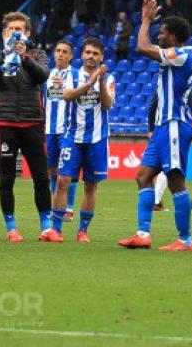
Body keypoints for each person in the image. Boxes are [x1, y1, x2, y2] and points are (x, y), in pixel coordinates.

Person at [119, 0, 192, 252]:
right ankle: (143, 234)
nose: (158, 35)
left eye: (161, 32)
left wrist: (144, 21)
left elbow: (142, 47)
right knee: (142, 177)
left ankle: (185, 240)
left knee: (175, 179)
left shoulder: (183, 54)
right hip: (163, 127)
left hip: (175, 123)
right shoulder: (174, 57)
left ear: (173, 36)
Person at [0, 11, 51, 242]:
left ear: (28, 34)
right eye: (11, 29)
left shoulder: (37, 54)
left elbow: (43, 76)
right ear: (4, 33)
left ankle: (46, 227)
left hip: (33, 122)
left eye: (19, 29)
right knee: (7, 178)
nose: (15, 33)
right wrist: (5, 54)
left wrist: (24, 58)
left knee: (41, 177)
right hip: (5, 123)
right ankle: (11, 228)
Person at [45, 37, 114, 243]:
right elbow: (66, 95)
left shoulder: (109, 78)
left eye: (95, 53)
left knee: (91, 186)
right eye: (88, 52)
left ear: (101, 57)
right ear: (82, 55)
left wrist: (99, 83)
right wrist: (90, 82)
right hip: (72, 136)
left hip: (97, 139)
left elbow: (108, 104)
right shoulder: (72, 75)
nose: (91, 56)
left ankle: (83, 231)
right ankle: (56, 229)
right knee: (62, 180)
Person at [45, 41, 79, 221]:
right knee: (51, 170)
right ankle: (56, 204)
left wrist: (66, 86)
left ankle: (69, 208)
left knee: (67, 170)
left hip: (67, 129)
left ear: (71, 56)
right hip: (49, 129)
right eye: (57, 50)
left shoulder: (75, 74)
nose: (60, 54)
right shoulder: (47, 75)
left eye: (64, 51)